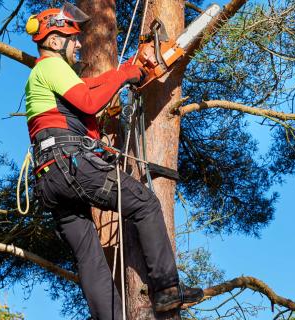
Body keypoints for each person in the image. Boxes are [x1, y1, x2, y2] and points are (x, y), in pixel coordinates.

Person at [23, 4, 203, 319]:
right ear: (53, 41)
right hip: (69, 164)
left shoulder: (44, 76)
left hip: (50, 179)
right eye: (72, 38)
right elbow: (90, 101)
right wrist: (123, 74)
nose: (78, 44)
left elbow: (89, 89)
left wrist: (126, 72)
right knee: (145, 203)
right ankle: (166, 289)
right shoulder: (50, 66)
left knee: (89, 257)